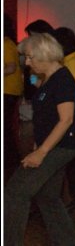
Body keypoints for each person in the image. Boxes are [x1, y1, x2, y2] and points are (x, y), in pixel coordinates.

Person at [5, 33, 75, 246]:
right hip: (54, 146)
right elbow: (45, 119)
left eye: (30, 57)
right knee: (47, 194)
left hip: (61, 147)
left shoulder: (63, 80)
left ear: (45, 55)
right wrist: (38, 146)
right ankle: (66, 241)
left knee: (15, 191)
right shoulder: (48, 78)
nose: (27, 63)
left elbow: (66, 120)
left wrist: (41, 152)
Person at [51, 28, 75, 211]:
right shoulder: (71, 61)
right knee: (73, 167)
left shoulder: (73, 63)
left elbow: (66, 93)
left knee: (74, 167)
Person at [4, 15, 23, 183]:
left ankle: (11, 158)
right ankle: (11, 157)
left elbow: (10, 67)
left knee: (5, 125)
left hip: (9, 90)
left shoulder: (6, 44)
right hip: (9, 89)